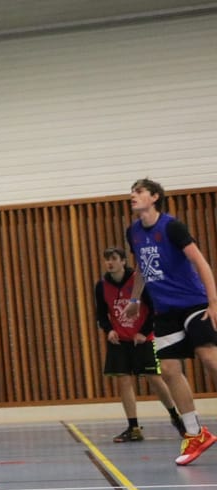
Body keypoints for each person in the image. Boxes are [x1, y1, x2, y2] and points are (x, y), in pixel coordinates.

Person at [124, 178, 217, 465]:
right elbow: (141, 267)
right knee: (168, 370)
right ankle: (194, 432)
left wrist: (213, 302)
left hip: (193, 303)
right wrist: (135, 299)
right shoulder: (133, 232)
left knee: (208, 357)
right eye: (132, 192)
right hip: (164, 311)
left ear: (154, 197)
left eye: (138, 192)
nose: (132, 196)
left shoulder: (172, 227)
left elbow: (200, 262)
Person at [94, 246, 184, 442]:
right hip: (120, 341)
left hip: (143, 339)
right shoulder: (101, 286)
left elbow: (153, 309)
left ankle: (176, 417)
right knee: (124, 381)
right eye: (106, 259)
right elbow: (101, 314)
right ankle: (133, 427)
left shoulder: (138, 281)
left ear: (123, 261)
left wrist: (143, 332)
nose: (109, 262)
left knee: (155, 378)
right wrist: (109, 329)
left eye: (114, 258)